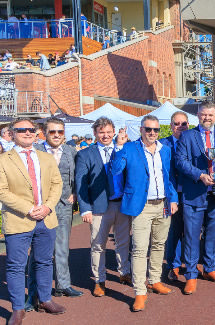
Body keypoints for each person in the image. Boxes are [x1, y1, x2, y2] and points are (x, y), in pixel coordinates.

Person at [0, 118, 65, 325]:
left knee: (44, 262)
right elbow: (2, 191)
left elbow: (57, 184)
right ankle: (18, 309)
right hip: (19, 219)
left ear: (37, 133)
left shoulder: (46, 158)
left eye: (31, 129)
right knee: (16, 266)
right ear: (12, 133)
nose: (28, 133)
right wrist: (29, 209)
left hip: (46, 218)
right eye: (22, 130)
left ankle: (45, 299)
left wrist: (47, 207)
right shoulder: (3, 160)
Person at [110, 115, 178, 312]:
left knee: (159, 244)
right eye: (148, 129)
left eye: (156, 130)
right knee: (140, 249)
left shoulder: (165, 150)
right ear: (141, 130)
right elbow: (116, 170)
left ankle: (155, 280)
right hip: (141, 206)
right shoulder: (130, 148)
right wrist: (118, 147)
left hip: (163, 204)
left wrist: (173, 199)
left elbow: (169, 177)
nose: (152, 133)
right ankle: (140, 291)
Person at [175, 101, 215, 294]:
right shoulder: (187, 136)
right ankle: (191, 274)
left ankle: (209, 269)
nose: (207, 118)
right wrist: (200, 175)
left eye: (210, 115)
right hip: (195, 193)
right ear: (198, 115)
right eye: (203, 115)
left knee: (212, 234)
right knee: (193, 236)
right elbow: (180, 161)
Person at [25, 118, 82, 311]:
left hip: (64, 205)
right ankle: (33, 292)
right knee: (39, 251)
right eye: (52, 132)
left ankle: (63, 285)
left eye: (60, 132)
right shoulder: (36, 151)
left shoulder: (71, 151)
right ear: (44, 132)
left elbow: (76, 176)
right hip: (42, 207)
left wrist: (75, 192)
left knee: (62, 247)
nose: (57, 135)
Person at [75, 118, 132, 297]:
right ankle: (99, 280)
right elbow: (81, 183)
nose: (105, 135)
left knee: (123, 242)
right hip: (99, 207)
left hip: (122, 204)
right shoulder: (85, 154)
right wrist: (84, 208)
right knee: (98, 245)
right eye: (101, 132)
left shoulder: (123, 149)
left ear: (114, 131)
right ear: (95, 134)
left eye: (108, 132)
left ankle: (124, 273)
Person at [161, 112, 189, 281]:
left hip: (192, 192)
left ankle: (191, 264)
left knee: (192, 232)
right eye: (177, 124)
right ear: (171, 126)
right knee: (174, 232)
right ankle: (174, 265)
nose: (180, 127)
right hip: (172, 194)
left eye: (184, 123)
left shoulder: (194, 141)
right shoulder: (163, 144)